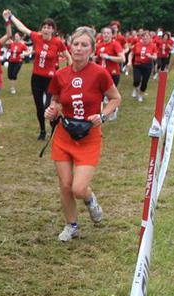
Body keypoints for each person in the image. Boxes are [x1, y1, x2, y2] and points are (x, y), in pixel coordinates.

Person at [43, 27, 122, 242]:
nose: (79, 48)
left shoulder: (99, 73)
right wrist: (52, 111)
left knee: (78, 188)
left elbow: (115, 98)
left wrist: (102, 115)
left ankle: (89, 199)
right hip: (64, 134)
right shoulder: (60, 75)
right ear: (70, 47)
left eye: (84, 45)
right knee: (65, 185)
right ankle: (71, 225)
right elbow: (56, 101)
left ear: (91, 50)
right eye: (76, 44)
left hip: (89, 136)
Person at [4, 10, 72, 140]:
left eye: (49, 27)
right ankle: (42, 131)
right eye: (44, 27)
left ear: (53, 30)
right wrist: (11, 17)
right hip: (36, 78)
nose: (46, 29)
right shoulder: (37, 37)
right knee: (39, 107)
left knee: (49, 106)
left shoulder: (57, 42)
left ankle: (54, 127)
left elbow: (68, 57)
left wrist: (69, 73)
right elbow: (22, 28)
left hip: (51, 79)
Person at [130, 31, 157, 102]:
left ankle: (141, 95)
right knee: (136, 80)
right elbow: (131, 53)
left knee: (144, 82)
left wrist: (150, 56)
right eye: (143, 36)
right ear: (141, 37)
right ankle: (136, 89)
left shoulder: (153, 45)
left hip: (147, 65)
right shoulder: (137, 44)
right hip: (137, 64)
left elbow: (155, 57)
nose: (145, 38)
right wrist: (129, 61)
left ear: (150, 37)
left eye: (147, 36)